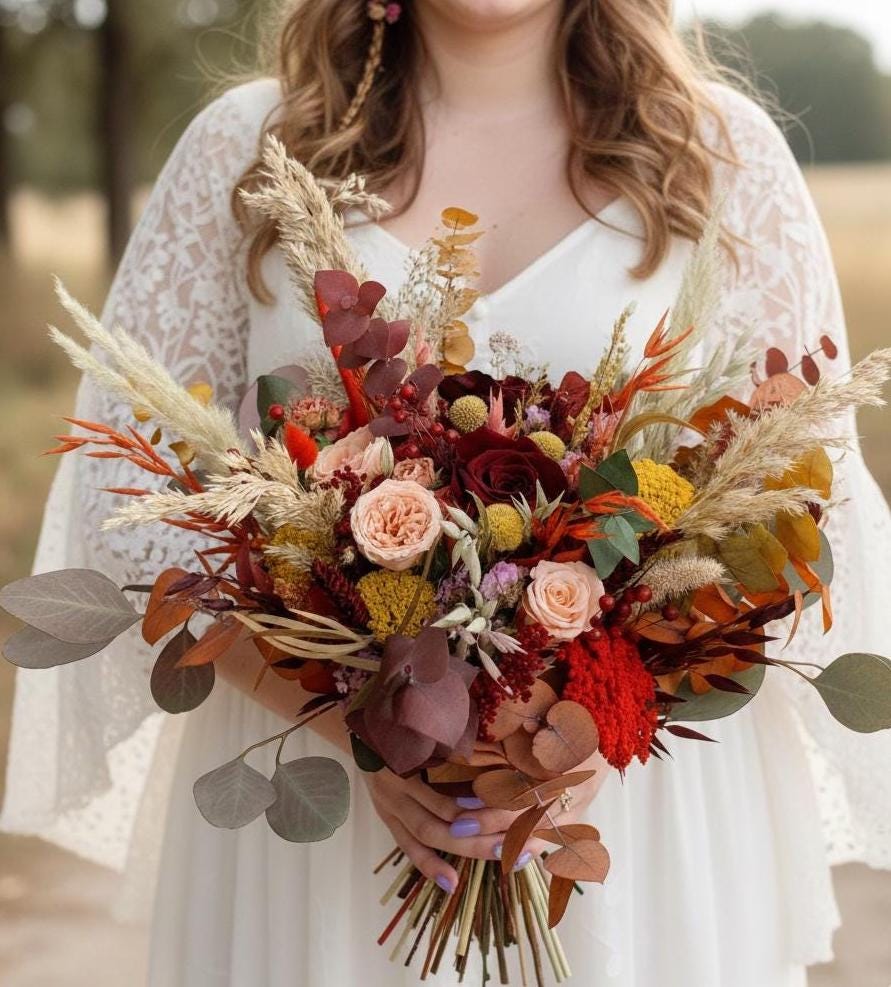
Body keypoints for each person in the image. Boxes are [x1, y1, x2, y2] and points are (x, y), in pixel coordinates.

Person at [4, 1, 891, 985]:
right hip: (327, 822)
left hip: (627, 812)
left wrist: (595, 723)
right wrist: (368, 734)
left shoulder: (720, 155)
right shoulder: (250, 150)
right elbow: (132, 506)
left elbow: (796, 508)